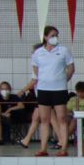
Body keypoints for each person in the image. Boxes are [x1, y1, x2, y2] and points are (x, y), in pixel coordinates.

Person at [24, 26, 74, 157]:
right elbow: (36, 70)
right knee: (44, 120)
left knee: (61, 118)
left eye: (56, 35)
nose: (55, 38)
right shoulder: (38, 53)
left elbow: (71, 68)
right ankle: (43, 148)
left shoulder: (63, 50)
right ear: (45, 37)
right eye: (52, 35)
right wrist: (45, 80)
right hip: (43, 89)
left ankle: (63, 148)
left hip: (59, 89)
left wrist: (63, 80)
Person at [0, 81, 26, 145]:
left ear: (10, 89)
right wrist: (3, 114)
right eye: (2, 89)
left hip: (11, 117)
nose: (5, 91)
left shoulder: (14, 97)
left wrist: (10, 109)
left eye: (6, 89)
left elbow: (21, 106)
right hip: (1, 116)